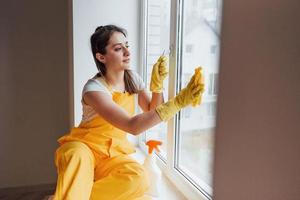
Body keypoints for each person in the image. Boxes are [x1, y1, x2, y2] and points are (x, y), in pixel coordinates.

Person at [53, 25, 204, 200]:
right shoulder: (93, 89)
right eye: (118, 48)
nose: (127, 52)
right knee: (76, 157)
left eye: (127, 45)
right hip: (86, 147)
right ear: (101, 57)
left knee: (139, 178)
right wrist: (178, 103)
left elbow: (151, 111)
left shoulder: (132, 79)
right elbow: (133, 126)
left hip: (114, 153)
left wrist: (157, 86)